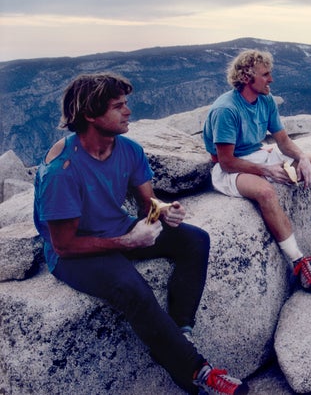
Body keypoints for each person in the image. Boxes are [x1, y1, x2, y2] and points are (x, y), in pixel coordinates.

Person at [33, 73, 248, 395]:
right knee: (130, 286)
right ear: (90, 115)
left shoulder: (128, 149)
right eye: (118, 106)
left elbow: (147, 201)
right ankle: (196, 371)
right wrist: (127, 242)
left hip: (116, 228)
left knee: (195, 240)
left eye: (126, 104)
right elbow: (64, 245)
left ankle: (178, 335)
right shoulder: (62, 171)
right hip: (75, 252)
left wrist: (163, 210)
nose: (128, 111)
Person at [202, 49, 311, 293]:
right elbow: (226, 161)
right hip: (232, 165)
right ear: (248, 77)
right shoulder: (227, 110)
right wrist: (265, 171)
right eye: (266, 74)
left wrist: (301, 157)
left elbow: (283, 141)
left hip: (259, 152)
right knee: (266, 193)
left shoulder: (265, 100)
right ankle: (299, 262)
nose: (271, 79)